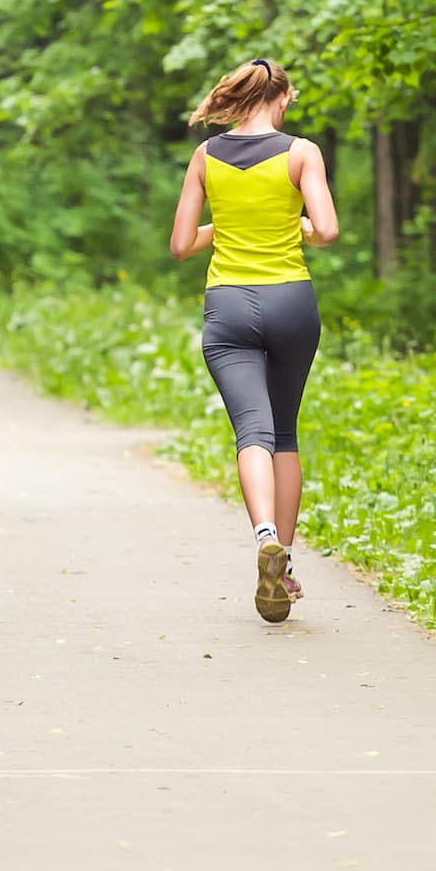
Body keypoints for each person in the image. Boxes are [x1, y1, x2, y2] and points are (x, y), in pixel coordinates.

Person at [168, 57, 341, 623]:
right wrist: (295, 226)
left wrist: (230, 225)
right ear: (282, 98)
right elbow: (327, 231)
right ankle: (283, 564)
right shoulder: (301, 152)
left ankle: (263, 533)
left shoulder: (205, 155)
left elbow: (180, 245)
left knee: (253, 431)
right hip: (291, 300)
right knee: (285, 433)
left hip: (228, 307)